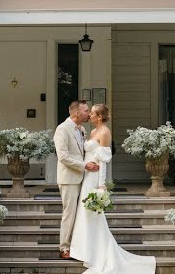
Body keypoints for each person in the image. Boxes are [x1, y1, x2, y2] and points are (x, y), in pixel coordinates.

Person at [69, 104, 156, 274]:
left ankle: (98, 253)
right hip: (86, 175)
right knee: (85, 213)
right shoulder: (92, 132)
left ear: (100, 117)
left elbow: (103, 161)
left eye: (92, 113)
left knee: (94, 214)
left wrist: (102, 184)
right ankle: (85, 250)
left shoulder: (104, 132)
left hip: (95, 177)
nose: (90, 115)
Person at [54, 100, 98, 260]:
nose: (89, 113)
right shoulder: (62, 129)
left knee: (81, 214)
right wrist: (85, 165)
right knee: (69, 213)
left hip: (83, 178)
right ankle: (64, 247)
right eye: (86, 111)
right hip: (69, 179)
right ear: (77, 113)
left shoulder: (82, 129)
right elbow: (63, 157)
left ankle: (77, 246)